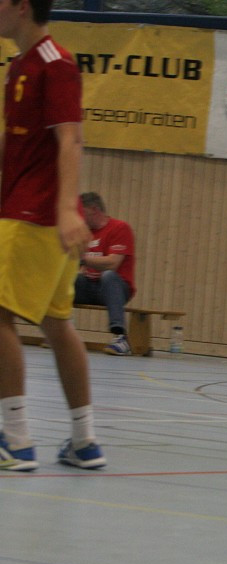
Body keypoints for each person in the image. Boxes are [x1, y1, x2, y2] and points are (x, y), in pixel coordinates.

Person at [0, 0, 106, 471]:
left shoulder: (54, 62)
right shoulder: (19, 65)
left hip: (38, 214)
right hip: (26, 208)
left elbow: (71, 137)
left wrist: (67, 208)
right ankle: (84, 442)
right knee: (57, 323)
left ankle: (16, 439)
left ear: (22, 7)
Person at [75, 192, 136, 356]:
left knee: (108, 275)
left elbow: (112, 263)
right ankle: (61, 331)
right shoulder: (85, 233)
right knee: (65, 280)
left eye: (82, 212)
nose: (79, 217)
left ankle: (121, 337)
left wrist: (81, 259)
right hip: (90, 286)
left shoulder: (119, 228)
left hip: (117, 287)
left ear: (94, 209)